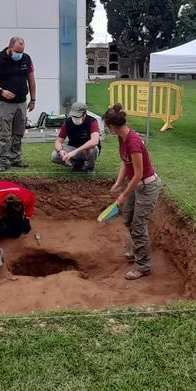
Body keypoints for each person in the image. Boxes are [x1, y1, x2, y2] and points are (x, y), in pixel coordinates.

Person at [104, 103, 162, 280]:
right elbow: (124, 161)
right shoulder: (122, 137)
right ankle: (137, 249)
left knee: (138, 225)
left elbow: (137, 175)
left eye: (107, 126)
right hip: (136, 185)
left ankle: (143, 266)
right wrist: (118, 182)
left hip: (146, 187)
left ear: (112, 126)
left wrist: (123, 195)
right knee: (128, 217)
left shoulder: (134, 142)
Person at [0, 36, 36, 172]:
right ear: (10, 47)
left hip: (21, 102)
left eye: (21, 52)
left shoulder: (26, 59)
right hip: (4, 103)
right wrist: (1, 91)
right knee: (4, 133)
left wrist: (33, 99)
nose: (19, 55)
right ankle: (2, 161)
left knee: (18, 133)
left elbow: (31, 80)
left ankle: (15, 159)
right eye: (17, 52)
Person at [0, 181, 36, 248]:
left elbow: (31, 202)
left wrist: (27, 217)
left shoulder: (26, 196)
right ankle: (3, 225)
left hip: (4, 198)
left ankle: (8, 225)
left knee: (15, 234)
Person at [51, 102, 101, 172]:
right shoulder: (67, 123)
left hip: (86, 150)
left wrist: (75, 151)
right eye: (74, 116)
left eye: (78, 116)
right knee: (54, 155)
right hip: (72, 147)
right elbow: (58, 141)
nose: (75, 118)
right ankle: (77, 164)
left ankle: (89, 168)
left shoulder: (92, 121)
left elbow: (95, 141)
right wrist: (60, 151)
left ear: (84, 114)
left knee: (92, 150)